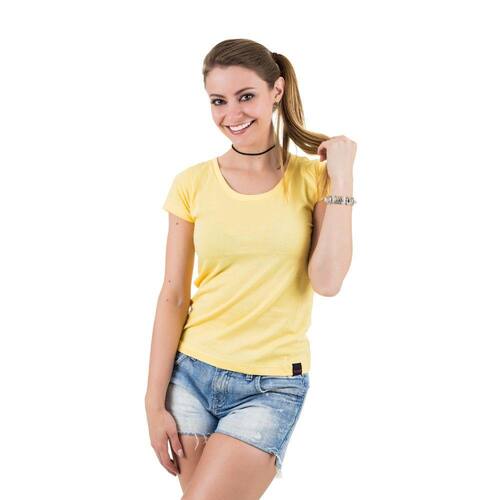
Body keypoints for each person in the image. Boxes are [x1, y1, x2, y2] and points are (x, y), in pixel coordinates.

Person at [145, 38, 357, 498]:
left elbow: (327, 281)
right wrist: (152, 401)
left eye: (246, 96)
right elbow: (173, 295)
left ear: (276, 91)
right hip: (191, 376)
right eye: (218, 101)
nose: (232, 114)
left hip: (270, 386)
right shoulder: (191, 183)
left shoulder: (313, 179)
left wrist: (342, 179)